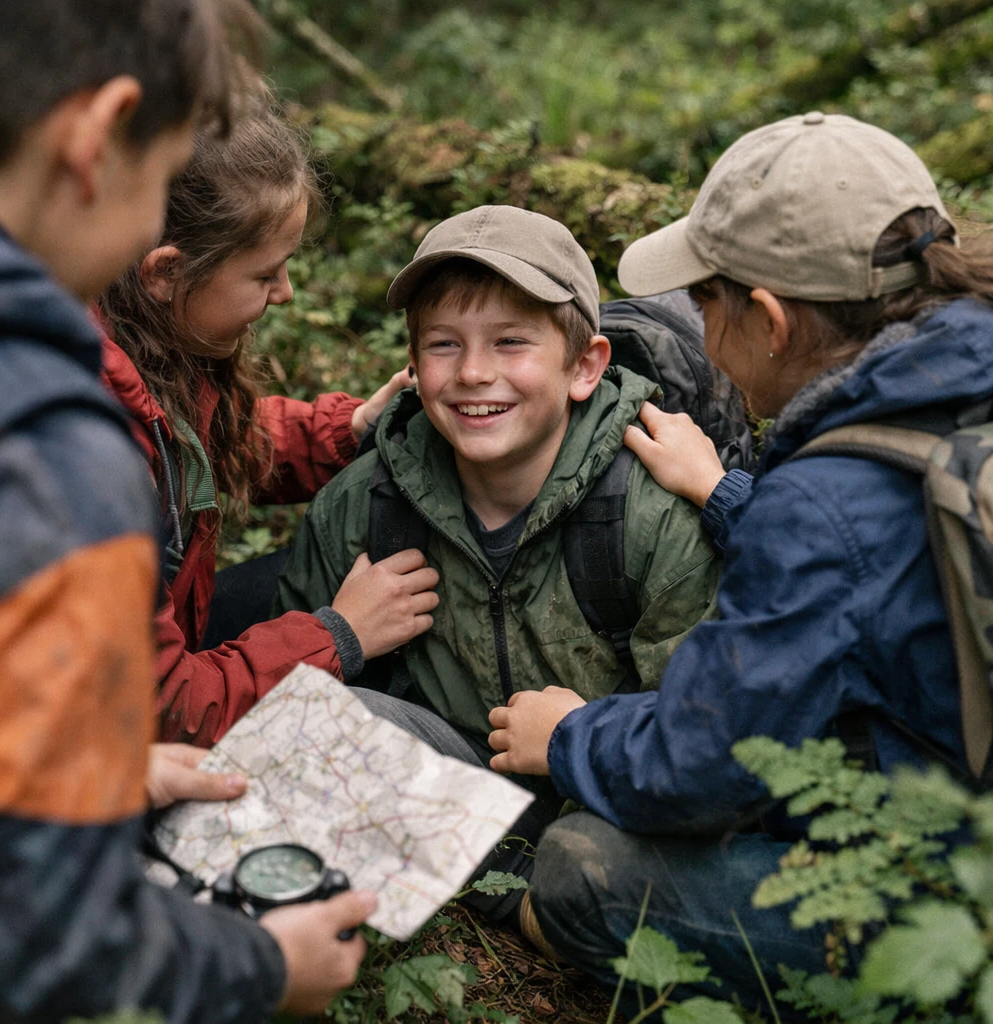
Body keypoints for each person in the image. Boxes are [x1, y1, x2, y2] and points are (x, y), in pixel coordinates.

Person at [486, 112, 993, 1009]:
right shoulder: (957, 375)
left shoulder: (826, 506)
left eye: (705, 301)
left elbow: (702, 765)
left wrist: (566, 736)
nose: (696, 324)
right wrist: (724, 493)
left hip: (957, 901)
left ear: (768, 321)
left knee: (582, 871)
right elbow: (878, 560)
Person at [0, 3, 376, 1020]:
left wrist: (344, 429)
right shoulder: (52, 455)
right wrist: (262, 967)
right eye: (158, 182)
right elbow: (41, 927)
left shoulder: (118, 369)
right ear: (98, 139)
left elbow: (229, 438)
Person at [275, 204, 721, 924]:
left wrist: (585, 742)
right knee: (317, 718)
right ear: (413, 366)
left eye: (511, 343)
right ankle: (518, 909)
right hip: (453, 789)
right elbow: (291, 708)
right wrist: (341, 631)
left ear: (584, 366)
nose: (475, 373)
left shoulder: (650, 511)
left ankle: (539, 903)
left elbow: (703, 734)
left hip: (612, 801)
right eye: (444, 345)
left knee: (589, 854)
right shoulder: (365, 505)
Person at [98, 97, 439, 747]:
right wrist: (340, 635)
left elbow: (208, 437)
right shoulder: (96, 445)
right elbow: (162, 707)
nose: (284, 293)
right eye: (264, 274)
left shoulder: (147, 342)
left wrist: (347, 429)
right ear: (167, 272)